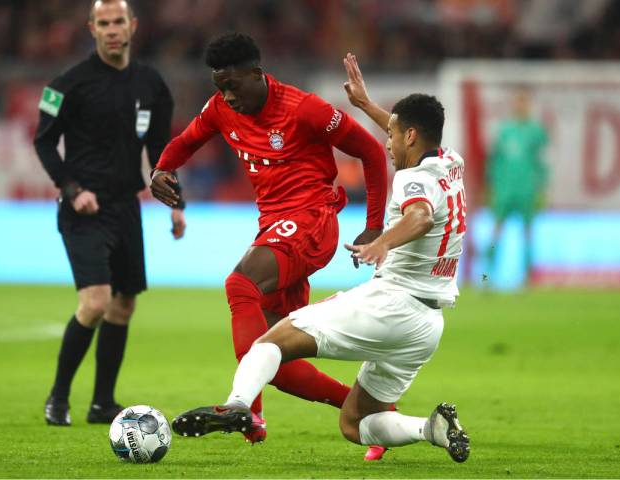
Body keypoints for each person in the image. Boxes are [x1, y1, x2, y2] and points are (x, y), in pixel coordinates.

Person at [170, 54, 470, 464]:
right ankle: (429, 428)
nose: (387, 142)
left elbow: (419, 216)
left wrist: (383, 241)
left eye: (393, 136)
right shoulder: (450, 164)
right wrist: (365, 105)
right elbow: (403, 137)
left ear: (412, 136)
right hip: (427, 326)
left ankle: (240, 406)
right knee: (355, 422)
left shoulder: (413, 179)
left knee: (268, 342)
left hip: (391, 303)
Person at [149, 33, 389, 449]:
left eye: (234, 85)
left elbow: (370, 150)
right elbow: (186, 142)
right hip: (275, 229)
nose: (228, 96)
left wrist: (373, 225)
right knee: (274, 358)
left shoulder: (304, 109)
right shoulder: (222, 108)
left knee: (239, 283)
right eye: (219, 87)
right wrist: (161, 169)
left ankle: (246, 409)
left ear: (257, 75)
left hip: (312, 221)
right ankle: (374, 413)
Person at [33, 0, 185, 426]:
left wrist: (176, 203)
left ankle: (102, 403)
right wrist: (71, 188)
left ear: (132, 26)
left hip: (125, 207)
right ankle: (58, 399)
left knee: (123, 306)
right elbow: (43, 142)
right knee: (96, 302)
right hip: (83, 208)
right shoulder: (68, 84)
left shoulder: (152, 84)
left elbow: (160, 151)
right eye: (104, 23)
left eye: (119, 21)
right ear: (92, 29)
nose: (112, 29)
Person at [487, 86, 548, 283]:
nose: (521, 106)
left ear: (528, 106)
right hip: (505, 188)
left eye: (524, 102)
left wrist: (543, 187)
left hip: (527, 188)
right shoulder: (505, 131)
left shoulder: (536, 132)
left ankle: (528, 277)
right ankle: (487, 275)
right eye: (518, 102)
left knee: (527, 232)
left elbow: (543, 162)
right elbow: (495, 161)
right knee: (496, 231)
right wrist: (492, 186)